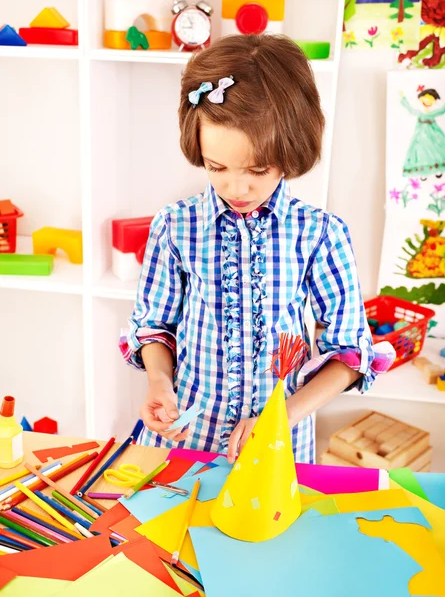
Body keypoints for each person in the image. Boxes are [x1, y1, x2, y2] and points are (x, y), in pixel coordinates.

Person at [120, 34, 394, 464]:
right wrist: (159, 383)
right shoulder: (175, 226)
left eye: (258, 169)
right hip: (184, 441)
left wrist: (281, 418)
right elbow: (154, 326)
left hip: (278, 445)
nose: (236, 188)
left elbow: (352, 355)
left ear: (292, 151)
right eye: (217, 168)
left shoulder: (320, 234)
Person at [401, 87, 445, 180]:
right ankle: (423, 171)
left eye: (430, 100)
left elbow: (443, 109)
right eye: (425, 99)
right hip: (420, 136)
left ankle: (438, 168)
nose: (427, 102)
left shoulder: (433, 113)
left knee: (436, 150)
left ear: (434, 101)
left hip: (434, 135)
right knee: (421, 151)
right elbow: (410, 109)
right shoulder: (419, 112)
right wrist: (403, 99)